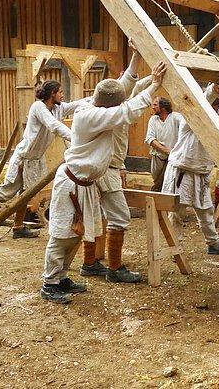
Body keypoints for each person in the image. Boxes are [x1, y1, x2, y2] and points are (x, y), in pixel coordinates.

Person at [40, 66, 164, 304]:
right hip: (72, 184)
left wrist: (150, 78)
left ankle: (62, 277)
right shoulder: (89, 116)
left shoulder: (95, 106)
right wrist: (155, 86)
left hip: (84, 184)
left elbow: (125, 92)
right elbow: (127, 110)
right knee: (61, 235)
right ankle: (49, 283)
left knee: (77, 233)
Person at [80, 46, 162, 280]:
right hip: (106, 170)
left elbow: (130, 86)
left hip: (99, 169)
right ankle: (114, 269)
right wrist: (155, 83)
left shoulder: (100, 106)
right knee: (119, 216)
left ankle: (89, 264)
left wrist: (137, 56)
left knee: (94, 215)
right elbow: (134, 102)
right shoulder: (113, 114)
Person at [0, 80, 76, 240]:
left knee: (25, 194)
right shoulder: (39, 107)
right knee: (5, 192)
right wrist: (76, 139)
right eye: (60, 92)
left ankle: (18, 228)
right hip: (23, 159)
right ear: (52, 93)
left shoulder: (57, 108)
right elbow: (54, 126)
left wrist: (100, 97)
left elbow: (77, 105)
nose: (62, 94)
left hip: (36, 160)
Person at [161, 83, 219, 257]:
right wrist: (212, 88)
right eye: (213, 108)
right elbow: (201, 103)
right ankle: (176, 247)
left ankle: (213, 243)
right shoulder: (189, 116)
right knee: (176, 211)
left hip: (201, 171)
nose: (217, 112)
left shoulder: (215, 116)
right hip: (182, 170)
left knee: (206, 210)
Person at [145, 97, 182, 192]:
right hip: (158, 157)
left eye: (155, 105)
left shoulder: (175, 117)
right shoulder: (153, 119)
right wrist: (165, 151)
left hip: (173, 158)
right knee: (157, 181)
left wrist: (174, 151)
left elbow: (185, 126)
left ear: (163, 107)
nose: (153, 107)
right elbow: (150, 139)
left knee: (170, 183)